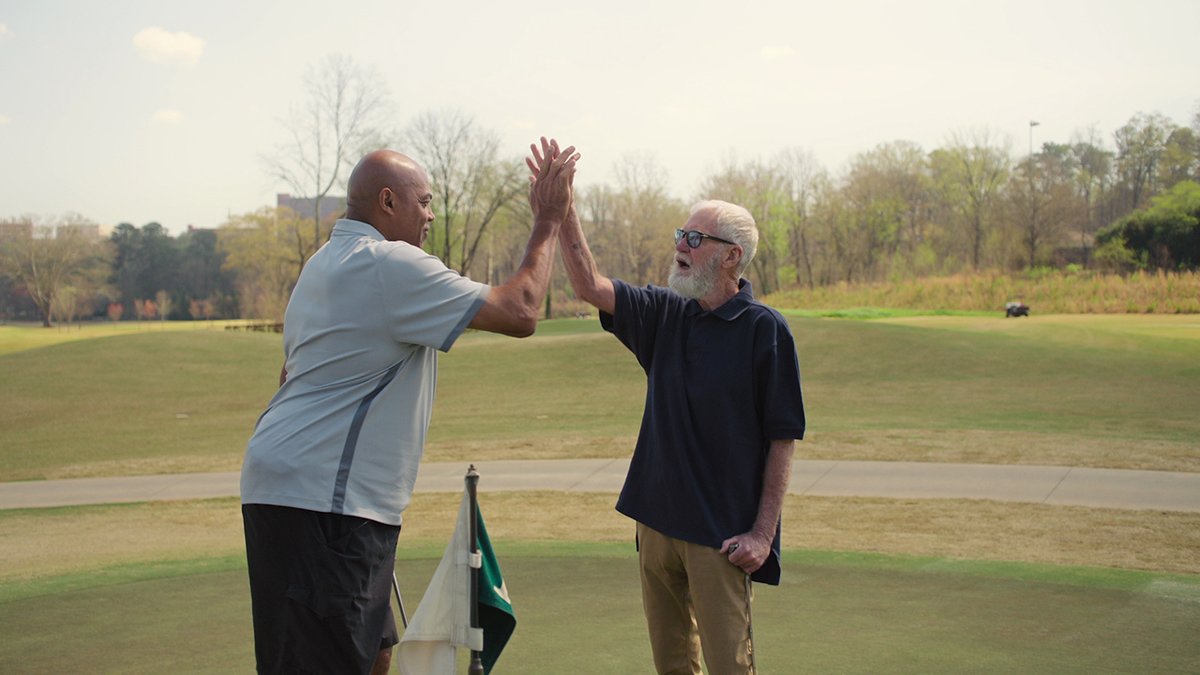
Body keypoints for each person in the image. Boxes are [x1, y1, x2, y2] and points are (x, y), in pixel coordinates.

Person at [241, 138, 578, 675]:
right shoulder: (388, 263)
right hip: (326, 505)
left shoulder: (322, 263)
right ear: (388, 203)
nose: (430, 215)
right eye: (423, 202)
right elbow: (521, 311)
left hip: (311, 493)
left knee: (376, 652)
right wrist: (549, 218)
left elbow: (290, 373)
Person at [550, 186, 806, 674]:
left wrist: (762, 534)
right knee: (672, 667)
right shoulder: (665, 312)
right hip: (655, 527)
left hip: (721, 538)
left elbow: (782, 438)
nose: (680, 247)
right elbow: (588, 285)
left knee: (729, 667)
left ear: (732, 256)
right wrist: (563, 211)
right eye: (680, 235)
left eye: (695, 238)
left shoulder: (764, 330)